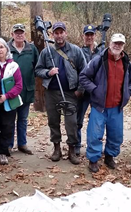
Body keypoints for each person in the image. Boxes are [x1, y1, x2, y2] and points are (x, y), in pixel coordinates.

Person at [79, 33, 131, 173]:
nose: (117, 46)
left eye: (120, 44)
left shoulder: (126, 62)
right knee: (95, 135)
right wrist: (95, 90)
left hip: (117, 107)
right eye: (115, 43)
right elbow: (83, 76)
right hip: (99, 106)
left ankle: (109, 156)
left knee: (116, 135)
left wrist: (128, 92)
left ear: (123, 45)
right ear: (110, 43)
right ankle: (93, 159)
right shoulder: (99, 60)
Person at [35, 21, 87, 165]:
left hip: (70, 93)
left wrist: (80, 90)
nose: (59, 35)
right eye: (56, 33)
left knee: (71, 123)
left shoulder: (76, 50)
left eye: (61, 32)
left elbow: (84, 71)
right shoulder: (47, 52)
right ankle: (56, 148)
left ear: (65, 33)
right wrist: (48, 72)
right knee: (53, 121)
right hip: (51, 93)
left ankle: (72, 150)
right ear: (53, 34)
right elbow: (38, 70)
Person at [0, 37, 23, 164]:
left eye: (1, 47)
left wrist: (6, 96)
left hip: (9, 102)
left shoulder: (13, 66)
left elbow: (19, 85)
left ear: (6, 49)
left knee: (7, 127)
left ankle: (2, 152)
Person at [7, 23, 39, 155]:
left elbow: (37, 67)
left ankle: (22, 144)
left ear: (25, 34)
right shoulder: (6, 49)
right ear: (12, 34)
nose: (19, 35)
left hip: (26, 90)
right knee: (9, 119)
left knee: (23, 119)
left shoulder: (32, 49)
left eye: (21, 32)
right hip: (10, 91)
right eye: (16, 32)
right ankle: (8, 144)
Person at [76, 24, 105, 156]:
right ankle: (76, 145)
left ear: (95, 35)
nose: (89, 37)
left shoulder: (102, 51)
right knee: (78, 120)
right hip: (82, 91)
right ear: (83, 36)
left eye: (91, 34)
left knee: (97, 121)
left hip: (96, 92)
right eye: (87, 34)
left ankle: (94, 146)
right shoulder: (78, 51)